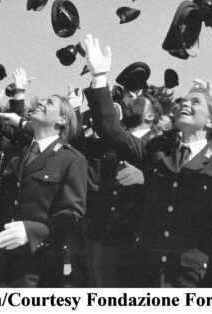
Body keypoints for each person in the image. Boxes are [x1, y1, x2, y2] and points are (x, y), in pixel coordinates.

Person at [82, 33, 212, 287]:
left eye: (196, 102)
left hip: (192, 279)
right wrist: (99, 77)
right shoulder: (157, 150)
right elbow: (111, 130)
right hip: (146, 274)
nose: (185, 104)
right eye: (184, 100)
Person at [0, 68, 88, 287]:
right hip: (2, 261)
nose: (41, 102)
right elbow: (6, 199)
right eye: (41, 100)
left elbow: (72, 214)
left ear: (63, 119)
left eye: (49, 103)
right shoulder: (16, 152)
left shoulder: (71, 159)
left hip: (38, 265)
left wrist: (32, 231)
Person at [76, 82, 161, 287]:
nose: (128, 101)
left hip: (137, 238)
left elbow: (170, 183)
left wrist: (146, 178)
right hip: (104, 234)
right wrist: (75, 110)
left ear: (150, 116)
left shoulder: (160, 143)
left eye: (137, 100)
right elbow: (77, 143)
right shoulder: (111, 141)